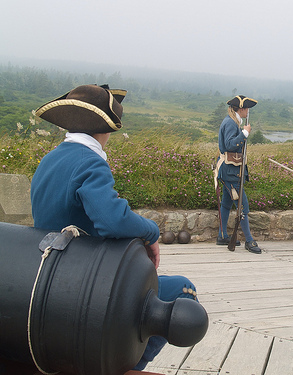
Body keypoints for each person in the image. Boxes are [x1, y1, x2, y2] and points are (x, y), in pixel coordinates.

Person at [31, 84, 197, 371]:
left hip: (49, 276)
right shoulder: (89, 163)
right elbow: (112, 220)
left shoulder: (50, 160)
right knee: (183, 291)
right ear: (106, 129)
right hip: (83, 285)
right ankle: (128, 366)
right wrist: (152, 232)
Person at [214, 95, 261, 254]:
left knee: (227, 204)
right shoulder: (230, 123)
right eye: (246, 108)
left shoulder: (232, 122)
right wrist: (244, 134)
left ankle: (222, 235)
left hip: (231, 171)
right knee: (242, 205)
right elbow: (229, 144)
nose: (247, 111)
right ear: (240, 109)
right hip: (230, 172)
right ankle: (249, 240)